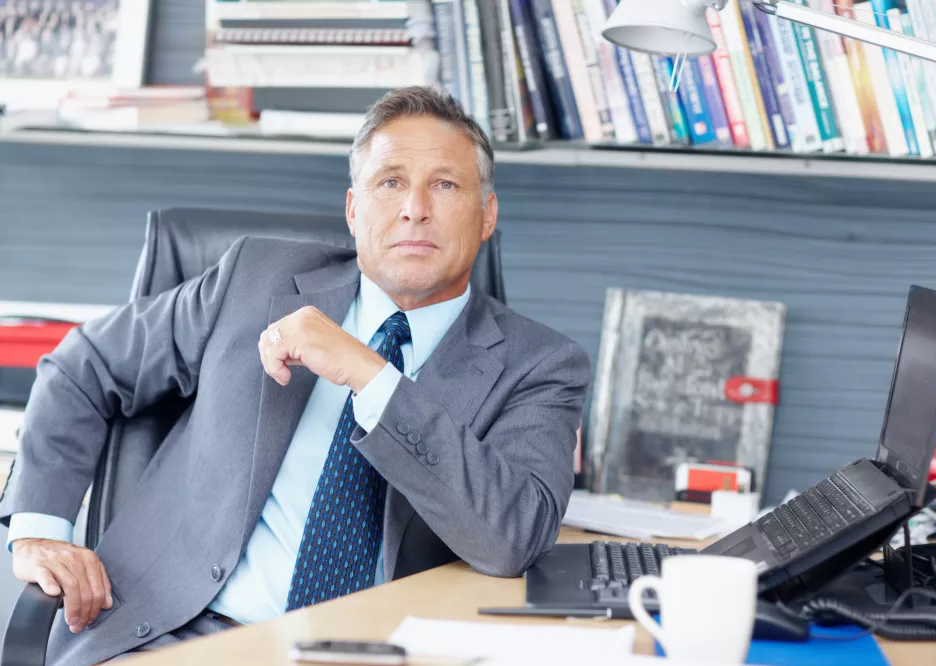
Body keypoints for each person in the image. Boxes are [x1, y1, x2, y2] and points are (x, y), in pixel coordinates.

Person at [0, 86, 590, 666]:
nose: (415, 207)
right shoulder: (256, 278)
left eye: (445, 184)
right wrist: (38, 531)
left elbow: (515, 536)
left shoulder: (540, 365)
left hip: (376, 653)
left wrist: (371, 375)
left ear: (486, 214)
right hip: (176, 635)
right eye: (390, 182)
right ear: (354, 210)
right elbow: (83, 365)